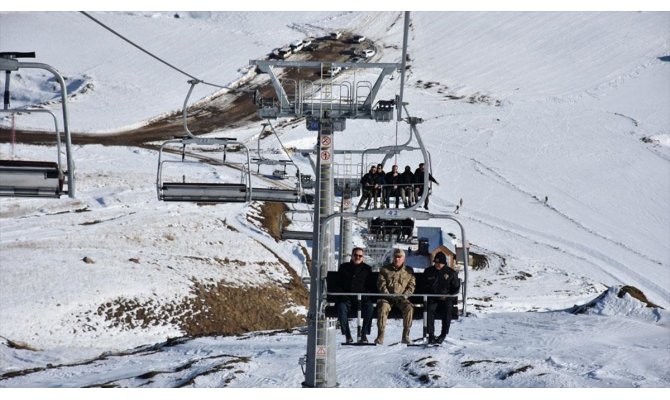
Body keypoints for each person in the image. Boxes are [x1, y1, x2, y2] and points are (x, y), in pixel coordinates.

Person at [375, 248, 416, 345]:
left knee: (409, 308)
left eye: (399, 257)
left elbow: (411, 286)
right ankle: (380, 336)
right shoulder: (385, 269)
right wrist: (388, 295)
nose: (397, 259)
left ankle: (405, 335)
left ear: (403, 259)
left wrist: (404, 296)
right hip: (387, 298)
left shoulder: (408, 271)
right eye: (395, 257)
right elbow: (381, 284)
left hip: (401, 298)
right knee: (383, 307)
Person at [336, 247, 374, 343]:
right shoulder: (344, 267)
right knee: (341, 307)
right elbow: (338, 283)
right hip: (347, 299)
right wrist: (343, 294)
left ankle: (364, 334)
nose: (358, 257)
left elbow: (370, 286)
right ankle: (347, 335)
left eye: (360, 256)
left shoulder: (367, 269)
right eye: (356, 255)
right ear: (352, 256)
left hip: (361, 299)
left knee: (370, 307)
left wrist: (365, 296)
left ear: (363, 257)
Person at [423, 251, 460, 344]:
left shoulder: (451, 273)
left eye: (440, 263)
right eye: (436, 262)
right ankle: (431, 334)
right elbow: (423, 285)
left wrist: (447, 296)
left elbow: (455, 288)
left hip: (445, 299)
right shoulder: (428, 271)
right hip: (432, 298)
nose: (438, 265)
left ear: (444, 263)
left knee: (447, 310)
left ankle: (443, 334)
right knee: (429, 310)